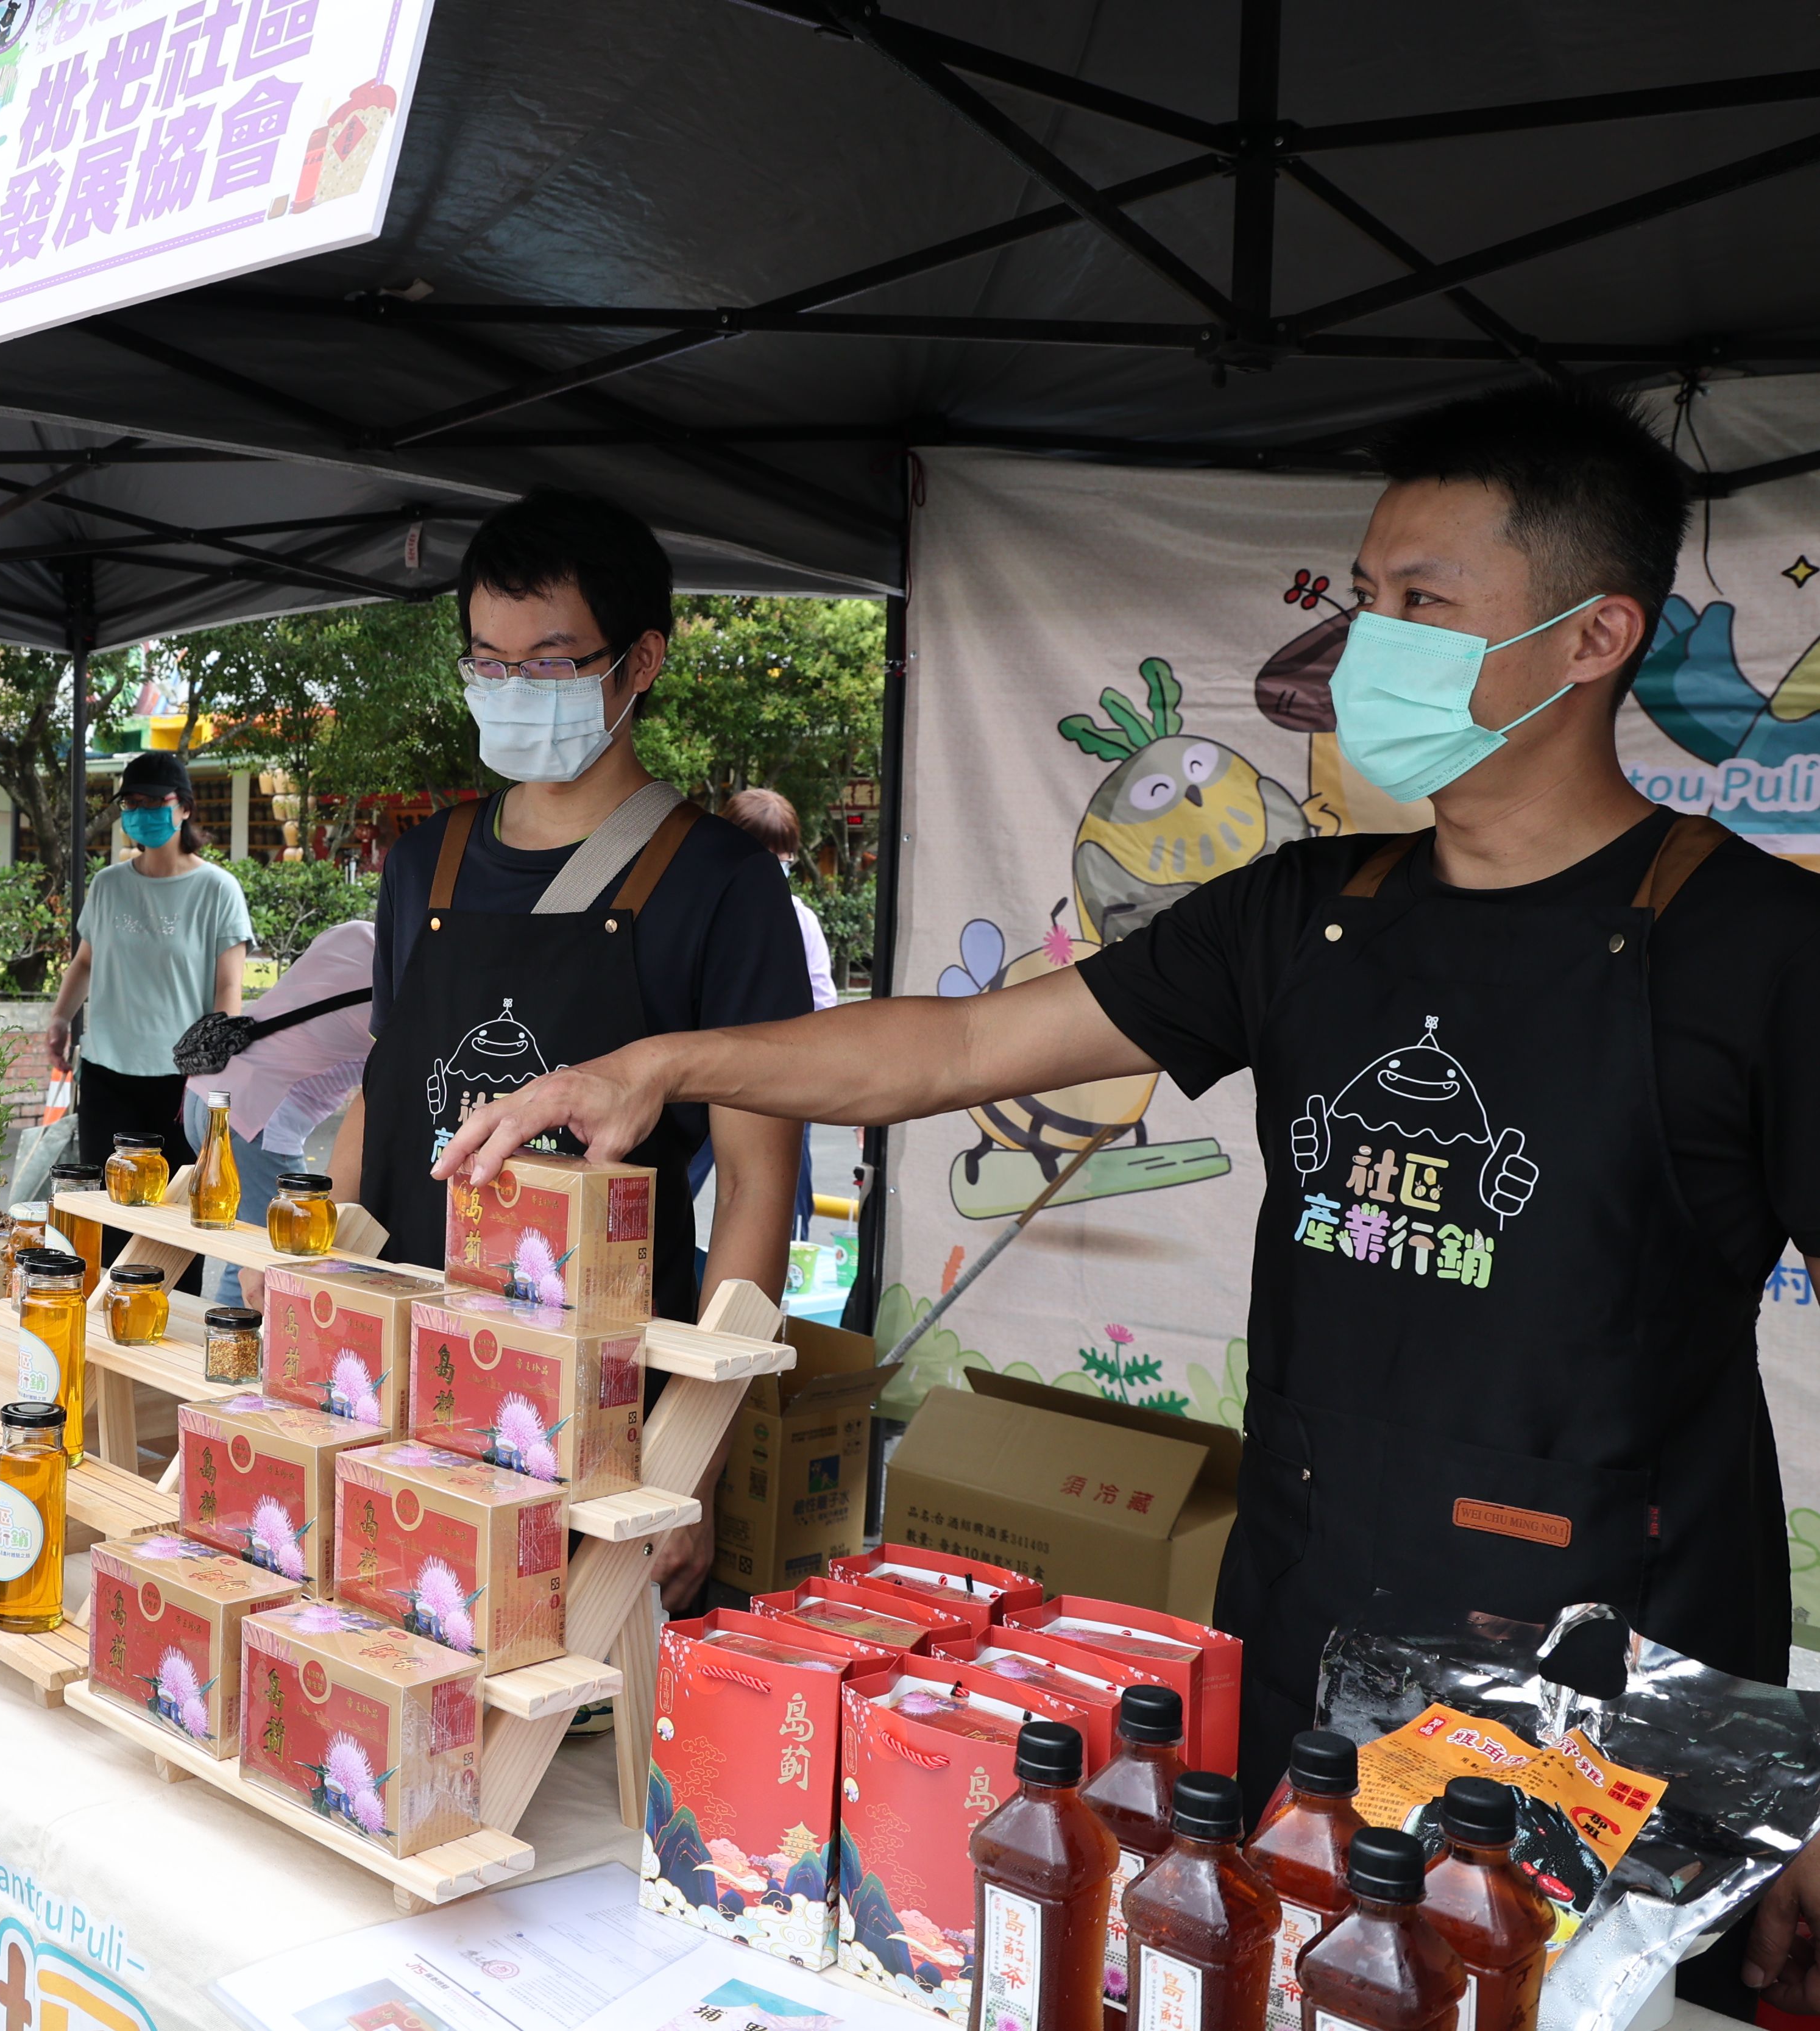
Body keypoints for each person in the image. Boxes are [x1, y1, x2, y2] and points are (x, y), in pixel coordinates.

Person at [436, 387, 1820, 1880]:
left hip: (1614, 1673)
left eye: (1425, 602)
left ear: (1595, 638)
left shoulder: (1760, 950)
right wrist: (661, 1062)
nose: (1372, 647)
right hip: (1311, 1619)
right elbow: (960, 1045)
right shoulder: (1308, 915)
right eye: (1367, 601)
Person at [336, 489, 809, 1611]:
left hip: (596, 1413)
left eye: (548, 661)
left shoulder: (718, 884)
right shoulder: (422, 865)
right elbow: (379, 1094)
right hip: (399, 1363)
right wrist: (316, 1314)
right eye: (486, 662)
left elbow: (754, 1180)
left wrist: (687, 1457)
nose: (509, 690)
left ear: (637, 659)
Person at [45, 750, 253, 1207]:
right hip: (107, 1074)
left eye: (155, 802)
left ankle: (179, 1286)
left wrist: (219, 1065)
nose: (142, 813)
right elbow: (85, 962)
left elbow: (228, 986)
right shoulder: (108, 885)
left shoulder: (218, 890)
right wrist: (60, 1018)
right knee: (108, 1207)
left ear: (184, 808)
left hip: (183, 1079)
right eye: (132, 803)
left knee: (178, 1211)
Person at [184, 915, 377, 1303]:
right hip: (261, 1116)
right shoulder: (403, 986)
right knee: (270, 1258)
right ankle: (231, 1356)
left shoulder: (353, 933)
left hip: (205, 1091)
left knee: (251, 1248)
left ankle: (230, 1350)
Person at [699, 787, 840, 1241]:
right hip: (700, 1081)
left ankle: (789, 1274)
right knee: (669, 1187)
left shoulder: (800, 921)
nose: (775, 869)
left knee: (780, 1198)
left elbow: (824, 1007)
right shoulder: (698, 914)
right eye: (765, 856)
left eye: (784, 858)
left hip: (779, 1083)